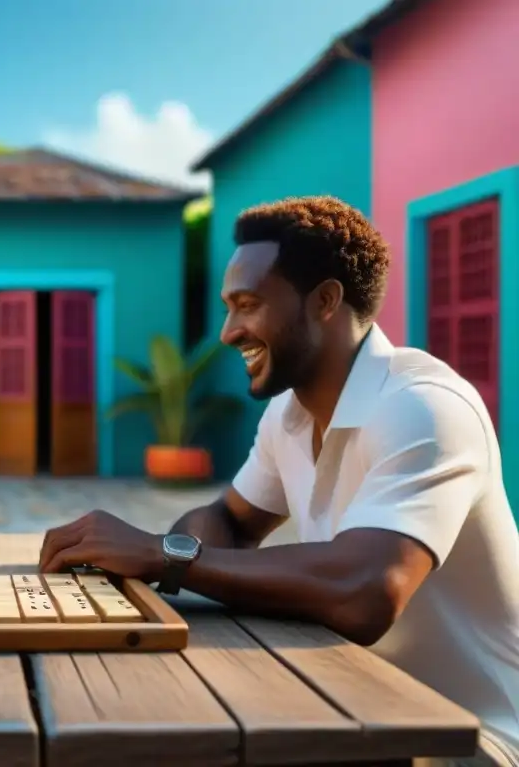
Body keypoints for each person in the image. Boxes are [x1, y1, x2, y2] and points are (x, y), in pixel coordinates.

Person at [40, 196, 519, 767]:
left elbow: (367, 590)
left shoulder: (423, 408)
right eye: (228, 307)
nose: (227, 332)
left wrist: (162, 554)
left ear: (324, 301)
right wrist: (154, 562)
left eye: (248, 305)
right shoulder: (290, 415)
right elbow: (230, 523)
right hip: (358, 707)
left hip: (471, 740)